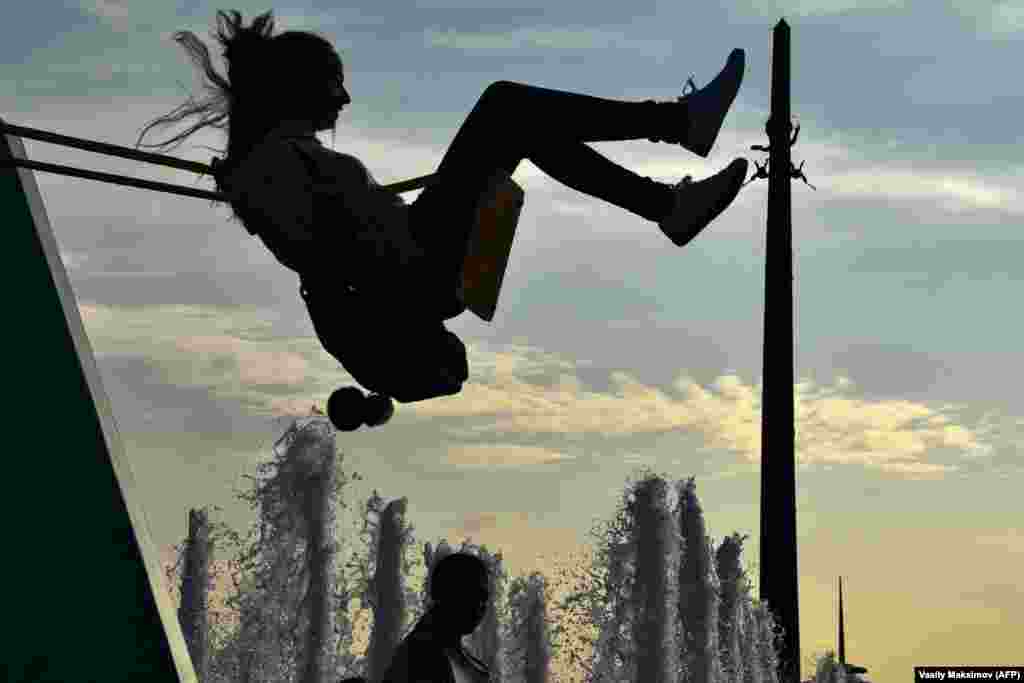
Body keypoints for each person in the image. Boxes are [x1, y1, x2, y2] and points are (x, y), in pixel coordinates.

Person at [135, 10, 749, 411]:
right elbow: (311, 251)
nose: (345, 96)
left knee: (522, 125)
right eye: (333, 81)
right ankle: (675, 136)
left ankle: (669, 196)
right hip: (414, 273)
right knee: (506, 107)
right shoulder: (267, 162)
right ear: (298, 85)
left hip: (416, 261)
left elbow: (321, 238)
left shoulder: (286, 155)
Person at [380, 552, 493, 683]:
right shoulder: (416, 657)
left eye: (484, 598)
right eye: (470, 593)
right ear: (442, 593)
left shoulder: (465, 660)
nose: (480, 605)